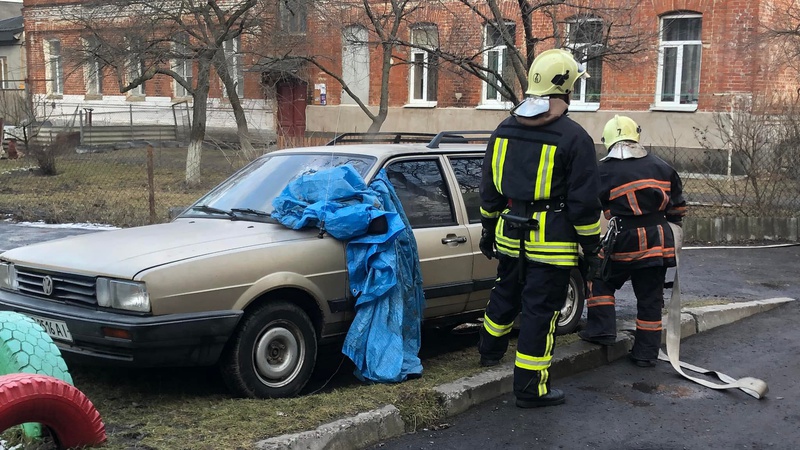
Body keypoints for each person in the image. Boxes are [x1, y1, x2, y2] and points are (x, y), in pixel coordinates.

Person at [478, 48, 603, 408]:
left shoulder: (503, 129)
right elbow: (584, 205)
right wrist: (592, 248)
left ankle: (489, 351)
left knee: (504, 293)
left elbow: (489, 188)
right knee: (540, 310)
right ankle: (531, 388)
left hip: (508, 230)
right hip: (552, 242)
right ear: (565, 89)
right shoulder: (574, 138)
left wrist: (488, 227)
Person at [578, 115, 687, 368]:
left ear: (607, 140)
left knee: (600, 279)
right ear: (636, 135)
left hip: (623, 240)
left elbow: (591, 204)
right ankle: (646, 354)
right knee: (650, 297)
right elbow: (678, 210)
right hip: (659, 240)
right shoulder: (663, 167)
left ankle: (601, 330)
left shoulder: (602, 170)